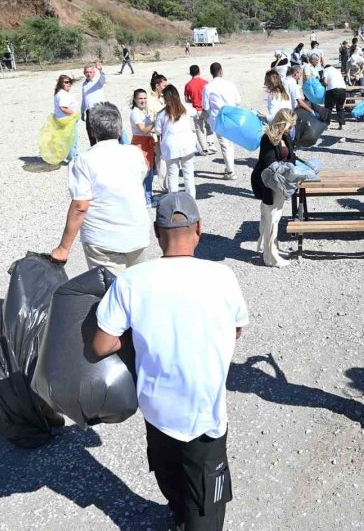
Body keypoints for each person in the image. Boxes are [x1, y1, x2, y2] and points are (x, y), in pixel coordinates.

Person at [92, 192, 248, 530]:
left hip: (156, 410)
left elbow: (102, 344)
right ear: (199, 229)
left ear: (155, 231)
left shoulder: (132, 281)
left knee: (170, 478)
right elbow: (236, 330)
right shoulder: (223, 277)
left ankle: (178, 516)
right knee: (206, 502)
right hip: (205, 414)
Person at [50, 102, 150, 274]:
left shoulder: (83, 161)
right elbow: (143, 174)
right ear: (120, 130)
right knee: (136, 287)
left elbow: (80, 206)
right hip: (136, 232)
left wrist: (64, 248)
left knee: (110, 292)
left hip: (102, 238)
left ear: (93, 131)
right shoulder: (135, 154)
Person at [250, 110, 297, 268]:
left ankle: (273, 250)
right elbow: (268, 164)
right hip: (269, 184)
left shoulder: (285, 136)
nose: (293, 127)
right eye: (291, 124)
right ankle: (270, 257)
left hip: (281, 183)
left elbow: (292, 157)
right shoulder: (268, 139)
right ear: (284, 123)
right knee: (271, 219)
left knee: (275, 218)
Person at [202, 63, 242, 181]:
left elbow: (205, 105)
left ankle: (230, 171)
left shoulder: (208, 87)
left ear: (211, 73)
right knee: (229, 143)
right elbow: (238, 101)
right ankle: (229, 166)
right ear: (221, 71)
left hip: (218, 118)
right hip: (231, 116)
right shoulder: (230, 84)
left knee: (224, 144)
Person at [157, 85, 198, 199]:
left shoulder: (161, 114)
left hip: (170, 146)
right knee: (188, 175)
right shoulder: (185, 110)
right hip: (187, 145)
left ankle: (174, 202)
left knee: (172, 175)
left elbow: (158, 130)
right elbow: (195, 111)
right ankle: (191, 200)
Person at [129, 89, 158, 206]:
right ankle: (147, 199)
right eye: (140, 98)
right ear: (135, 100)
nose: (143, 100)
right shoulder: (135, 113)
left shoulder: (142, 112)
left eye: (145, 98)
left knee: (149, 171)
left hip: (147, 142)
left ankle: (148, 197)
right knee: (145, 172)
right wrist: (155, 123)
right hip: (140, 143)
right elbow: (143, 130)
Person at [184, 65, 214, 156]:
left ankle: (204, 149)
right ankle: (211, 143)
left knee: (199, 129)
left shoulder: (188, 85)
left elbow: (186, 99)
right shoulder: (205, 82)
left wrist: (193, 100)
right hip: (206, 109)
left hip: (196, 110)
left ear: (190, 73)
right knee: (209, 126)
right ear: (199, 72)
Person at [53, 74, 78, 163]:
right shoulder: (62, 94)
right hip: (67, 120)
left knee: (67, 140)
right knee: (72, 140)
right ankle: (73, 159)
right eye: (66, 82)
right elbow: (63, 108)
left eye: (70, 82)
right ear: (61, 83)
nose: (69, 84)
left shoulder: (61, 93)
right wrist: (75, 114)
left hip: (63, 120)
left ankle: (70, 156)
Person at [80, 61, 106, 146]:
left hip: (99, 110)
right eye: (87, 72)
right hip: (89, 111)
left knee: (101, 132)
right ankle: (93, 149)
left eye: (90, 72)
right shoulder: (84, 84)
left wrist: (101, 70)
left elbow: (103, 78)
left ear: (94, 73)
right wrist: (82, 111)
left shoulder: (98, 82)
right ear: (84, 73)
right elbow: (84, 99)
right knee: (90, 133)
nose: (89, 74)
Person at [321, 64, 347, 132]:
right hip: (343, 89)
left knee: (328, 108)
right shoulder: (337, 70)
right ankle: (341, 125)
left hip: (333, 89)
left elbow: (325, 81)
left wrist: (323, 86)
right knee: (340, 107)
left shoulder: (326, 70)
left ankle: (327, 125)